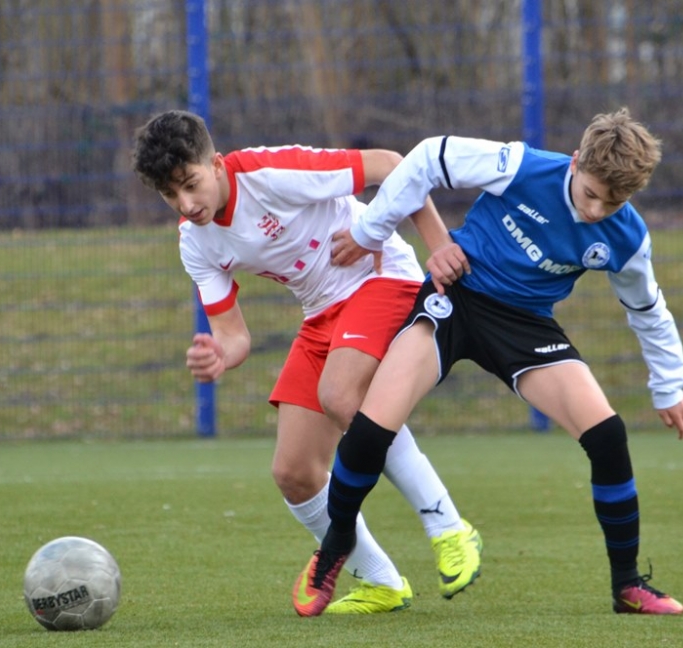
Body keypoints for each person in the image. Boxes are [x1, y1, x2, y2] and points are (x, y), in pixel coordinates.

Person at [292, 107, 683, 617]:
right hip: (455, 296)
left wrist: (668, 386)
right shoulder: (522, 166)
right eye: (591, 193)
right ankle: (334, 547)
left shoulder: (627, 237)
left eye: (612, 203)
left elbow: (648, 311)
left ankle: (628, 585)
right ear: (575, 162)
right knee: (370, 429)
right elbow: (428, 158)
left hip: (524, 326)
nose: (596, 211)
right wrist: (371, 230)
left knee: (608, 436)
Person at [131, 110, 482, 615]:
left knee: (339, 394)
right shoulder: (194, 240)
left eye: (190, 184)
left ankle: (449, 526)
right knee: (294, 472)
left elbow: (391, 165)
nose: (187, 204)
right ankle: (381, 583)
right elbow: (234, 336)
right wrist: (218, 355)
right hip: (321, 313)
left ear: (217, 164)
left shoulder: (271, 173)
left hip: (381, 276)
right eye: (170, 195)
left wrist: (439, 246)